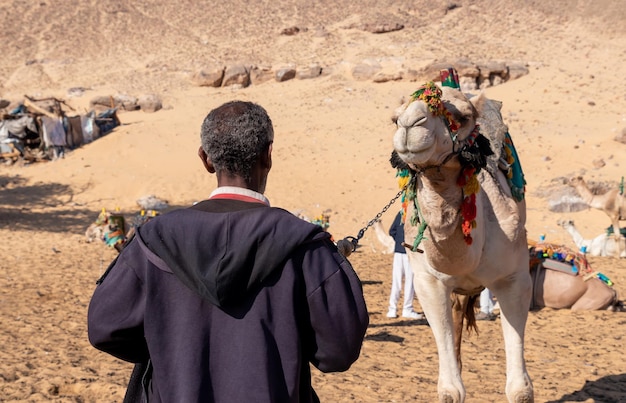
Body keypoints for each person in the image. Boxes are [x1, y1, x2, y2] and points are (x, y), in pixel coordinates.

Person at [87, 101, 369, 403]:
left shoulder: (153, 238)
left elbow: (105, 327)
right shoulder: (306, 246)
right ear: (268, 155)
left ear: (205, 159)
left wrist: (169, 345)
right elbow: (338, 352)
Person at [386, 211, 423, 319]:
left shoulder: (401, 213)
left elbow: (392, 231)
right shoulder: (416, 214)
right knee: (409, 282)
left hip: (399, 251)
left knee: (397, 281)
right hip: (409, 252)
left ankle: (392, 309)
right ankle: (407, 309)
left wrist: (398, 241)